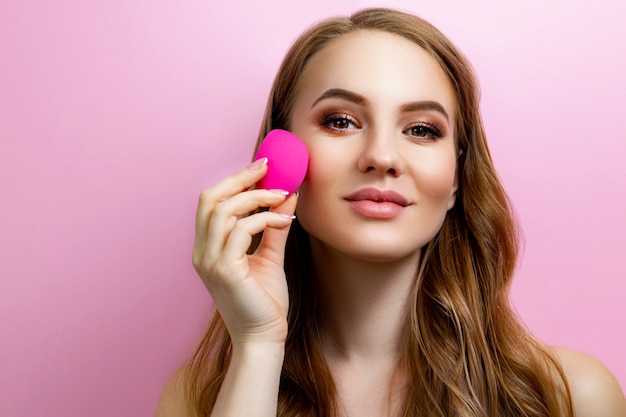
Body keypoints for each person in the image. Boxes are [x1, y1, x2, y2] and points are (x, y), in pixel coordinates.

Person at [156, 7, 626, 417]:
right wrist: (258, 345)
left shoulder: (570, 398)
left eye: (421, 130)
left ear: (457, 179)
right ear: (280, 158)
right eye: (340, 121)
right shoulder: (201, 398)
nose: (382, 156)